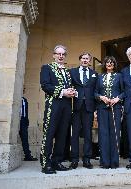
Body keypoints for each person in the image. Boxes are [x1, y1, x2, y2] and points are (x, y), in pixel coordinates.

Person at [40, 45, 76, 174]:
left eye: (63, 54)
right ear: (54, 55)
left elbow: (69, 87)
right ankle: (46, 164)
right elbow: (45, 86)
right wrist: (63, 92)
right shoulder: (47, 68)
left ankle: (57, 161)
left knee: (62, 135)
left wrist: (72, 91)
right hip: (53, 105)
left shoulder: (67, 72)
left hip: (66, 106)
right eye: (58, 54)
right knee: (49, 133)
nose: (61, 56)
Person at [95, 56, 125, 169]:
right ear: (104, 64)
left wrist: (117, 99)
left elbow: (124, 92)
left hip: (115, 108)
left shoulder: (119, 76)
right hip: (102, 108)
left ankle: (114, 162)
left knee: (115, 134)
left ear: (114, 64)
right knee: (103, 134)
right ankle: (105, 162)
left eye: (111, 62)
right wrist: (101, 97)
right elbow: (94, 93)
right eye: (107, 62)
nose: (109, 64)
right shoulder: (99, 77)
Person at [69, 52, 97, 169]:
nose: (85, 60)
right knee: (74, 134)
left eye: (87, 59)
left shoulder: (94, 74)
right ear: (80, 60)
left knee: (88, 134)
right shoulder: (72, 72)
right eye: (83, 58)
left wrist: (95, 109)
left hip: (89, 107)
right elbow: (68, 86)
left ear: (89, 61)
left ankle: (87, 160)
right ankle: (74, 160)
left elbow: (96, 90)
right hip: (76, 107)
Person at [19, 91, 38, 161]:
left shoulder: (24, 100)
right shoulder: (16, 99)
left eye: (23, 89)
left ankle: (27, 155)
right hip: (17, 119)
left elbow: (26, 112)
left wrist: (27, 121)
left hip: (23, 120)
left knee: (25, 138)